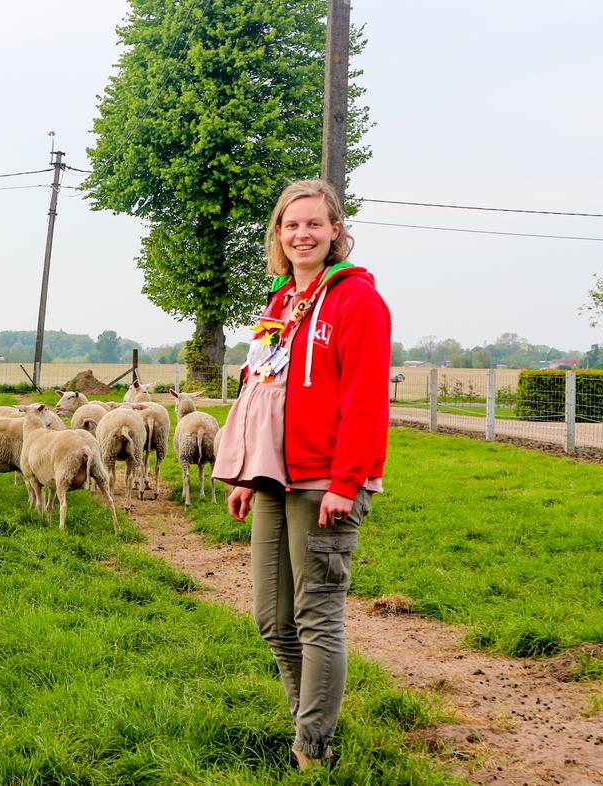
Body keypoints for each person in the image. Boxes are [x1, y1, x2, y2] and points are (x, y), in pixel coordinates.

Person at [212, 179, 390, 769]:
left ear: (336, 231)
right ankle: (307, 723)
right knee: (272, 616)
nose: (302, 235)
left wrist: (347, 482)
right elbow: (261, 390)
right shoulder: (280, 304)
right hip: (271, 476)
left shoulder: (356, 301)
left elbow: (365, 399)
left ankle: (312, 748)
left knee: (317, 616)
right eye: (291, 225)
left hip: (323, 481)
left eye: (314, 224)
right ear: (279, 235)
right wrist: (243, 473)